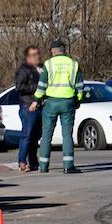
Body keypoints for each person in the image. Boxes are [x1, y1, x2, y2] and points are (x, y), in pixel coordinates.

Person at [30, 40, 84, 174]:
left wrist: (36, 100)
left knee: (47, 134)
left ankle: (43, 166)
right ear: (64, 50)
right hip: (68, 102)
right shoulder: (74, 64)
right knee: (67, 134)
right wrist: (78, 100)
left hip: (51, 103)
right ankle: (68, 165)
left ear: (53, 51)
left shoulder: (48, 64)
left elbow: (41, 86)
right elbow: (80, 87)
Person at [15, 45, 43, 172]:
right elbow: (19, 87)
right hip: (28, 106)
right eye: (33, 54)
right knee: (27, 134)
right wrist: (37, 87)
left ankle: (33, 162)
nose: (37, 56)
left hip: (40, 105)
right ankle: (22, 161)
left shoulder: (41, 68)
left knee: (36, 135)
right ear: (28, 57)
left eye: (37, 53)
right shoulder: (23, 70)